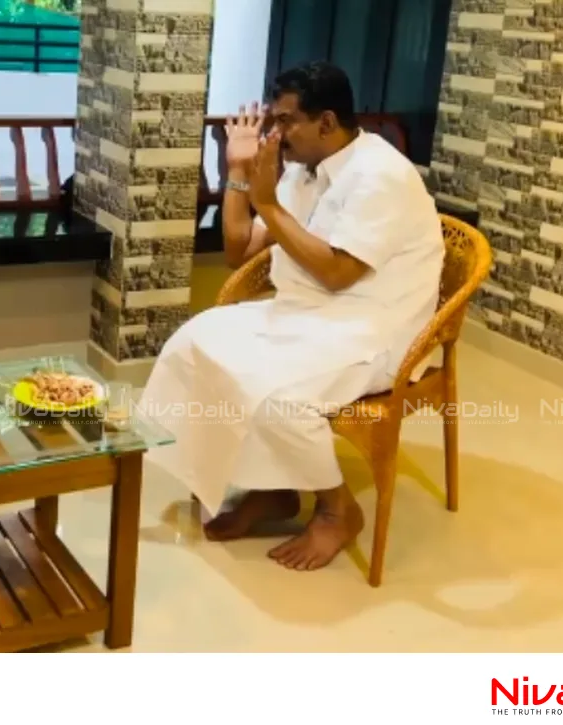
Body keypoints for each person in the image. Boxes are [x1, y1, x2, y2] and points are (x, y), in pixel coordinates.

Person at [139, 62, 445, 571]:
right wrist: (239, 173)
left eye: (285, 121)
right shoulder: (304, 170)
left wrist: (267, 203)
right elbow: (239, 250)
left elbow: (338, 274)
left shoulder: (382, 176)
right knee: (193, 345)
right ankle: (274, 489)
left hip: (372, 329)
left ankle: (336, 509)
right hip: (306, 314)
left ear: (326, 122)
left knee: (279, 397)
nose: (275, 133)